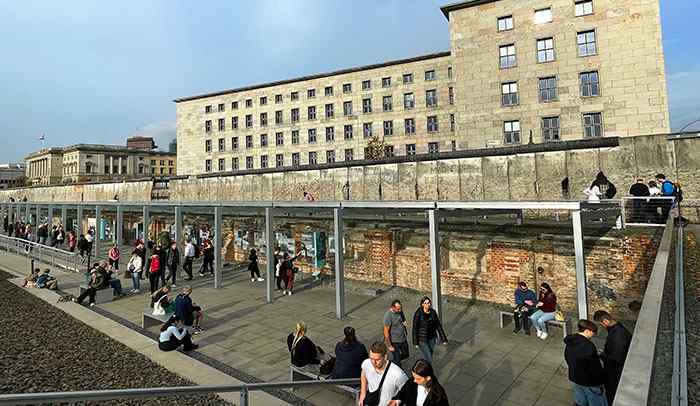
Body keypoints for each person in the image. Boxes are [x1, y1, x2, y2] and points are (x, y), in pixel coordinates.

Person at [564, 319, 608, 406]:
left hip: (574, 377)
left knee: (580, 401)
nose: (594, 334)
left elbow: (567, 357)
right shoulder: (588, 346)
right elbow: (594, 367)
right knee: (596, 401)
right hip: (589, 381)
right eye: (593, 332)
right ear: (587, 331)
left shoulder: (570, 341)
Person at [593, 310, 632, 405]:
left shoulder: (617, 335)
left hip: (615, 373)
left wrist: (602, 355)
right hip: (615, 368)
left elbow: (616, 359)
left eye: (601, 324)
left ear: (605, 321)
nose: (602, 327)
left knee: (611, 393)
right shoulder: (618, 328)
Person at [359, 341, 408, 406]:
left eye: (377, 359)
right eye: (371, 358)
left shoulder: (398, 374)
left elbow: (408, 391)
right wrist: (363, 393)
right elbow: (364, 373)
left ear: (385, 357)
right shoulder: (366, 363)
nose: (373, 362)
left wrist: (397, 401)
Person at [411, 297, 448, 364]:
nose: (427, 304)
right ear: (422, 304)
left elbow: (438, 325)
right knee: (429, 357)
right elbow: (415, 328)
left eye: (428, 303)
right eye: (425, 303)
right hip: (422, 339)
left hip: (432, 338)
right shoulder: (418, 313)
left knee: (429, 354)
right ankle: (428, 370)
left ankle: (424, 368)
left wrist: (444, 339)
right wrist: (415, 342)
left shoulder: (433, 312)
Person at [384, 300, 409, 368]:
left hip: (402, 338)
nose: (400, 310)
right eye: (398, 309)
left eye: (401, 308)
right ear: (392, 307)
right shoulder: (388, 316)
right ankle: (397, 368)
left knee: (406, 354)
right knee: (398, 362)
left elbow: (402, 318)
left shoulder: (400, 311)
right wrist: (389, 345)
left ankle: (393, 362)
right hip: (394, 341)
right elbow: (386, 332)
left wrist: (404, 322)